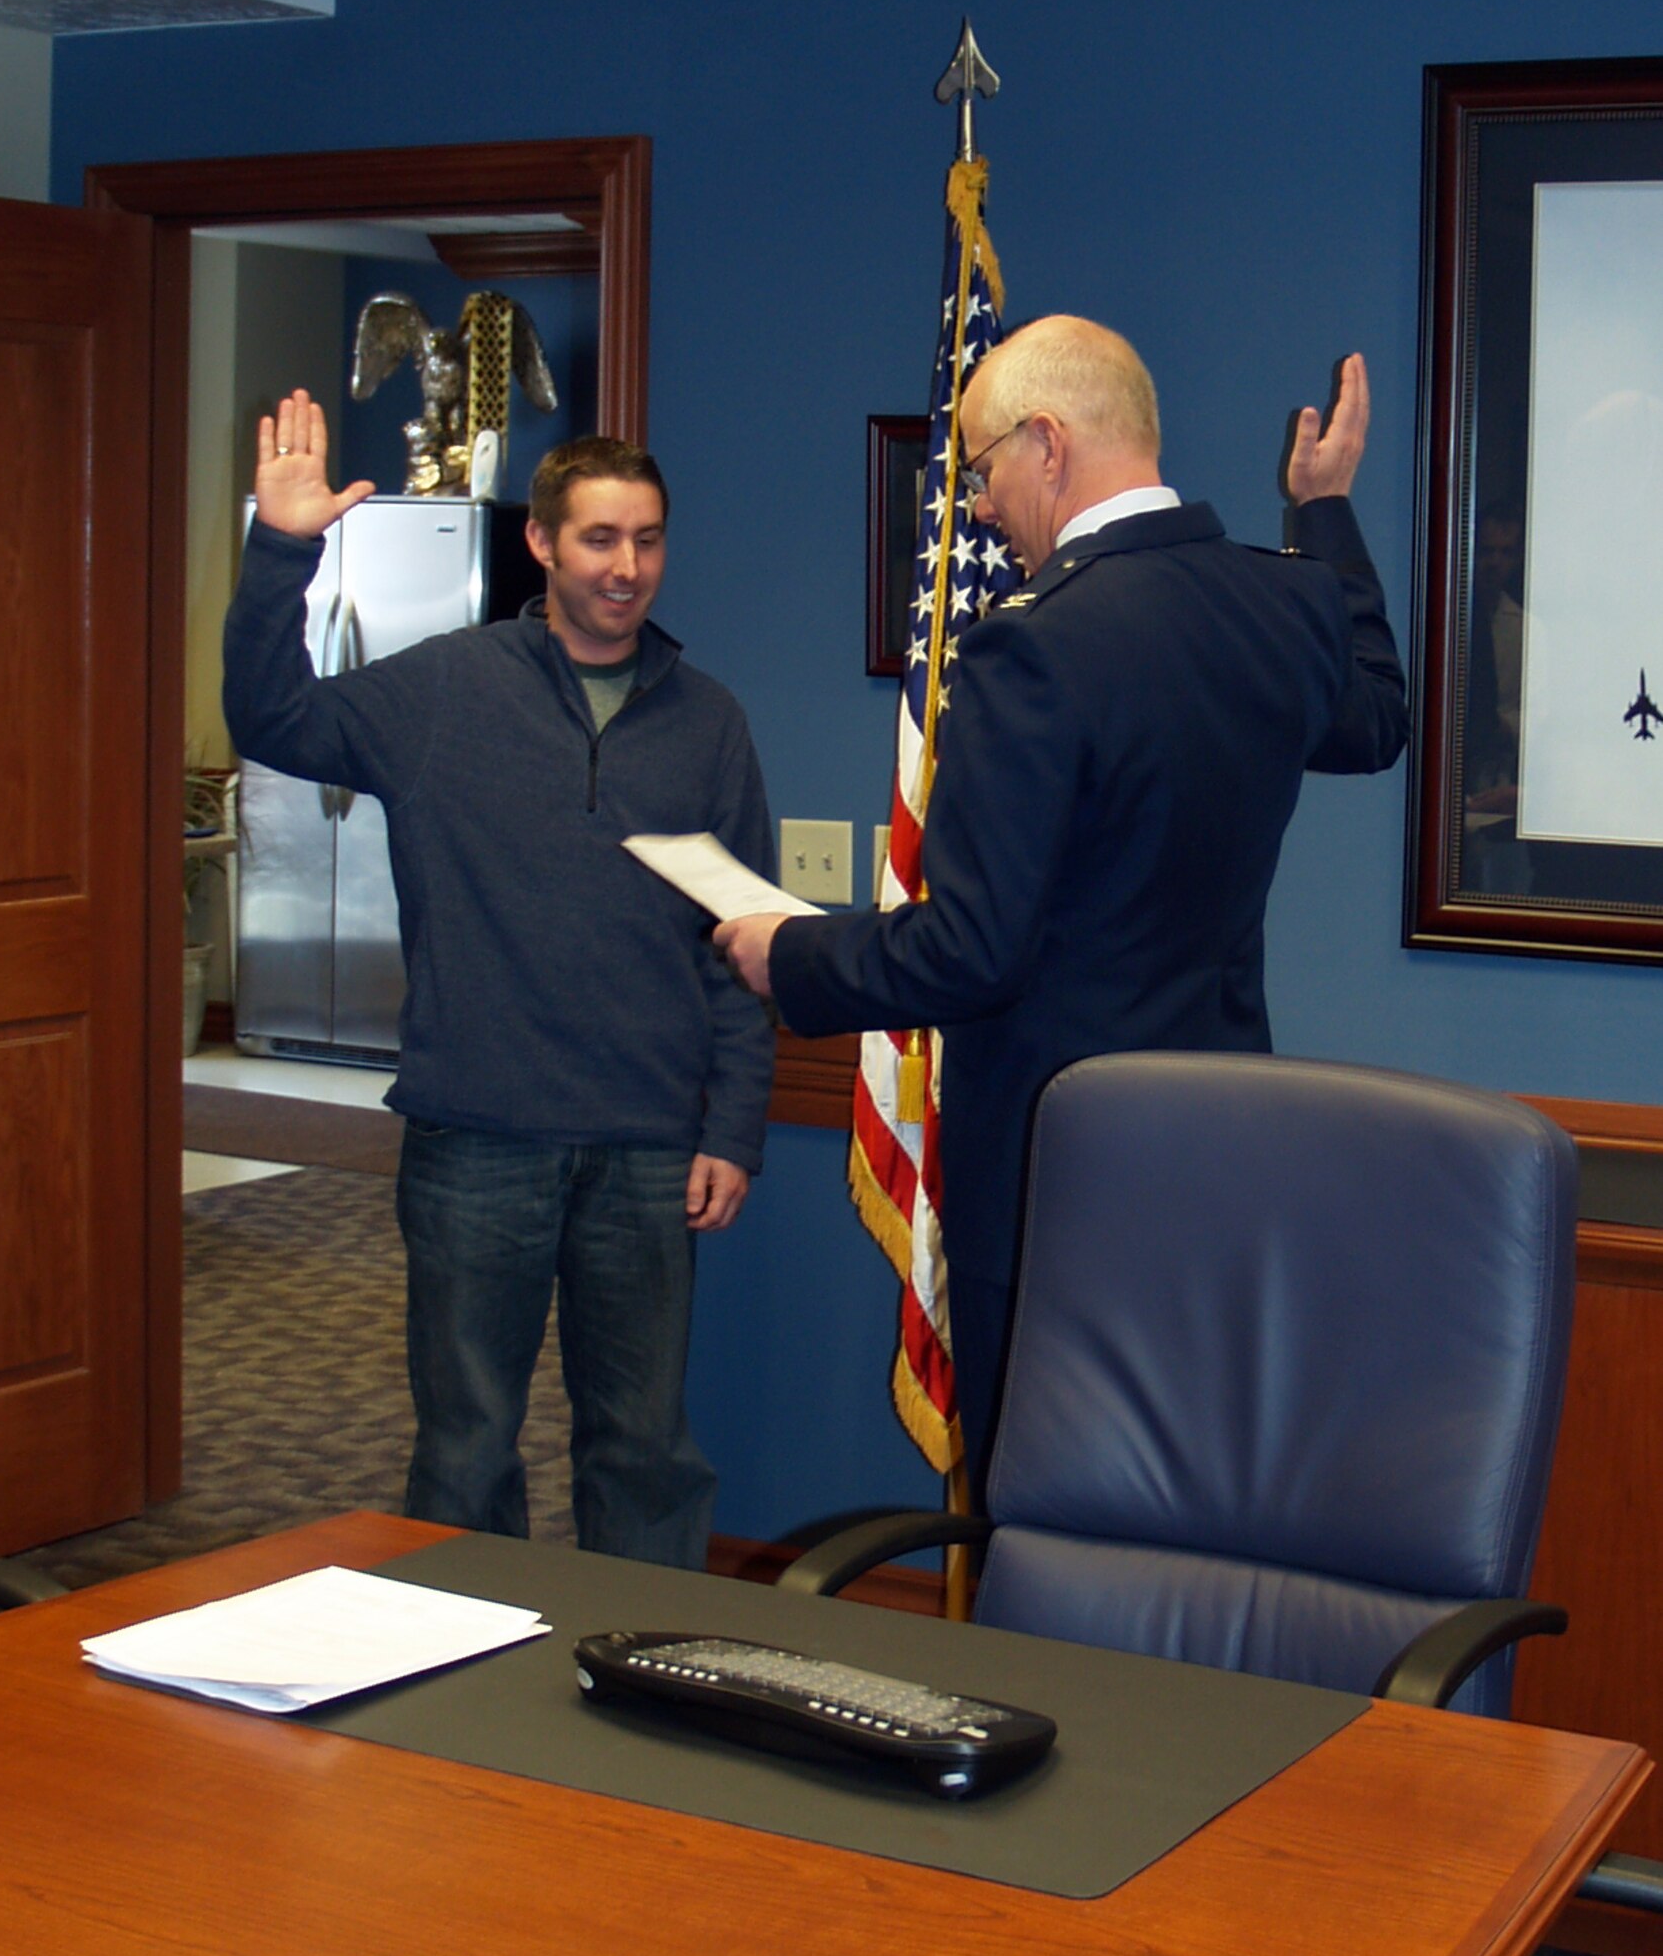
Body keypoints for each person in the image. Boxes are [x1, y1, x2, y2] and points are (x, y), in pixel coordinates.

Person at [715, 318, 1407, 1498]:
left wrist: (794, 955)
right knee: (1181, 1506)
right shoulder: (1284, 604)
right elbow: (1379, 720)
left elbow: (973, 950)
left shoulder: (1031, 649)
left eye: (982, 472)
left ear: (1048, 443)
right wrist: (1325, 511)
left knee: (1042, 1518)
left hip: (1055, 1176)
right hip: (1223, 1151)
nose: (980, 508)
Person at [223, 389, 775, 1568]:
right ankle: (458, 1677)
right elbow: (268, 713)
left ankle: (650, 1672)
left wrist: (733, 1124)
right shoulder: (443, 690)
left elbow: (744, 944)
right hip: (479, 1137)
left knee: (644, 1447)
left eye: (648, 540)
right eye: (598, 538)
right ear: (540, 541)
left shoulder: (711, 723)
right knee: (467, 1447)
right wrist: (283, 549)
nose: (627, 569)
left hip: (647, 1144)